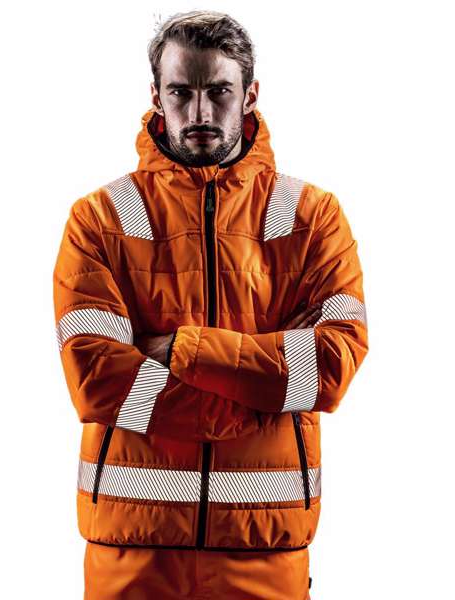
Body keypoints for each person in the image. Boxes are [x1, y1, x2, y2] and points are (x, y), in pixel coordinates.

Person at [52, 9, 369, 600]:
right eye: (181, 92)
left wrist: (181, 349)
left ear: (250, 95)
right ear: (156, 96)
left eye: (218, 92)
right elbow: (96, 381)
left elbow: (331, 366)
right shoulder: (99, 219)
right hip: (133, 555)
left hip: (265, 551)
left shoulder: (312, 217)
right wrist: (263, 393)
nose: (199, 113)